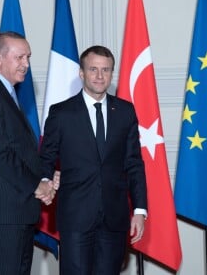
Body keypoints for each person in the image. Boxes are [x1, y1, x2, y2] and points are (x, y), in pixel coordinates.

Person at [40, 45, 148, 275]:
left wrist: (139, 210)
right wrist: (45, 181)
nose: (100, 76)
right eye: (93, 69)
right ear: (82, 73)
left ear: (112, 73)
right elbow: (46, 157)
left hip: (115, 218)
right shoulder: (61, 113)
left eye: (106, 70)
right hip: (75, 217)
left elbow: (134, 164)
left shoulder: (126, 112)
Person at [0, 31, 59, 275]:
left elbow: (20, 151)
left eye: (28, 57)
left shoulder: (4, 93)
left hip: (15, 213)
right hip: (1, 217)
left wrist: (45, 179)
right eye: (19, 57)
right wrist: (37, 186)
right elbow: (0, 154)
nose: (26, 64)